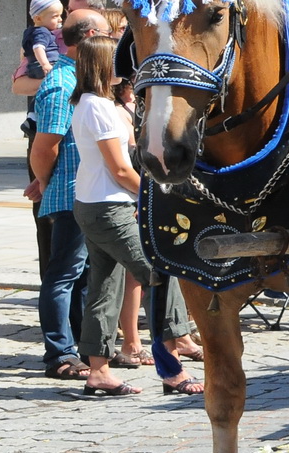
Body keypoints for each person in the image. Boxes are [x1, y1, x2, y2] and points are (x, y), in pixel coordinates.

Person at [68, 35, 203, 398]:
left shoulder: (90, 103)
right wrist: (155, 192)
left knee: (105, 286)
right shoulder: (97, 106)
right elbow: (119, 169)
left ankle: (98, 371)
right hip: (108, 207)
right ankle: (173, 369)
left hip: (94, 204)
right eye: (116, 59)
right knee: (159, 274)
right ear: (102, 64)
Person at [27, 8, 109, 380]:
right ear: (91, 35)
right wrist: (43, 182)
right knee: (63, 274)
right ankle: (59, 353)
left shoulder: (81, 79)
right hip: (69, 194)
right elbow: (46, 146)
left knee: (82, 275)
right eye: (107, 32)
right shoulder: (63, 84)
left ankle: (79, 347)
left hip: (85, 192)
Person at [21, 0, 65, 81]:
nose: (60, 19)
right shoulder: (42, 32)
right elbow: (38, 48)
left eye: (60, 15)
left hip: (33, 67)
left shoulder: (29, 31)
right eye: (55, 16)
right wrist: (45, 64)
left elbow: (24, 53)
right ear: (38, 19)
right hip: (47, 65)